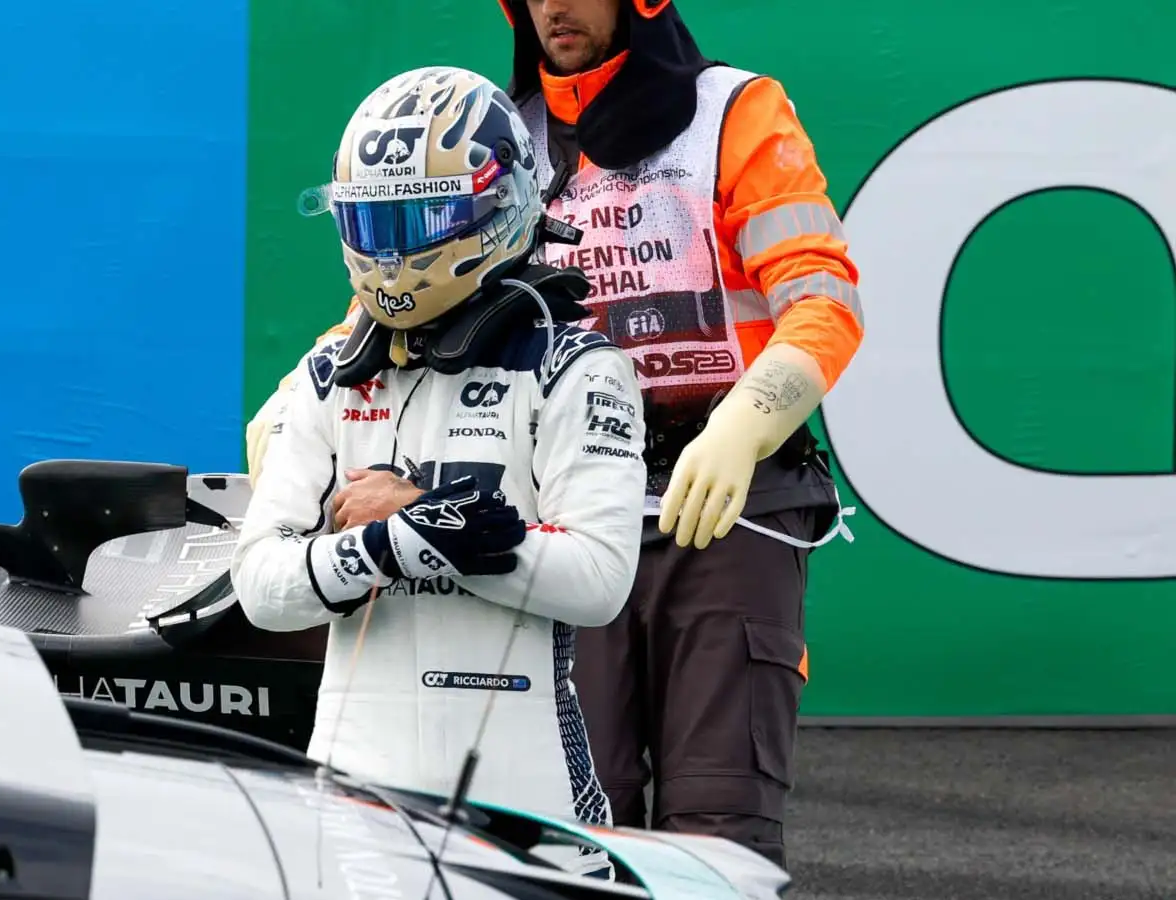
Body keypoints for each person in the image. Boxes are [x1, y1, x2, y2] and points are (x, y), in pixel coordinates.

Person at [249, 0, 866, 871]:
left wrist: (746, 423)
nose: (553, 6)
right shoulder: (496, 131)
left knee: (720, 821)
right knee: (578, 817)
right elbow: (403, 289)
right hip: (555, 492)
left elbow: (823, 298)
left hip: (730, 494)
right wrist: (292, 401)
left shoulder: (736, 110)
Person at [230, 64, 648, 874]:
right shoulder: (329, 374)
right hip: (349, 812)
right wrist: (403, 543)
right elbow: (261, 586)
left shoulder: (578, 367)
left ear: (496, 208)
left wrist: (417, 513)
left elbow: (598, 580)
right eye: (371, 225)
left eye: (417, 219)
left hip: (528, 816)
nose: (390, 255)